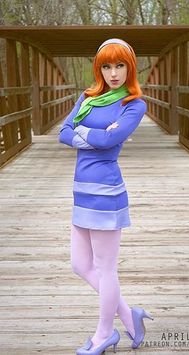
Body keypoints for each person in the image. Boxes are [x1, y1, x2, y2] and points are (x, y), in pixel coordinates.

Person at [59, 38, 153, 355]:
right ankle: (129, 315)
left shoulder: (134, 104)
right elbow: (63, 132)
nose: (114, 73)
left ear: (130, 67)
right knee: (79, 264)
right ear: (99, 69)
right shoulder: (87, 97)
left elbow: (112, 140)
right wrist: (95, 136)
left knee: (106, 267)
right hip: (81, 191)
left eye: (120, 65)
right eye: (107, 66)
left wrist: (82, 133)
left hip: (106, 192)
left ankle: (104, 334)